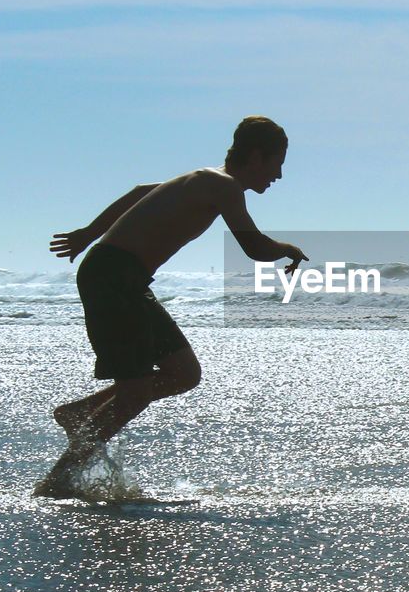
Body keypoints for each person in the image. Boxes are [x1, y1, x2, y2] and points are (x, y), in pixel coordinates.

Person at [33, 116, 306, 498]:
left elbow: (138, 192)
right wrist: (288, 250)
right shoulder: (224, 186)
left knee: (183, 372)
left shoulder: (202, 180)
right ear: (257, 156)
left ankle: (79, 415)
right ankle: (55, 483)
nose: (278, 175)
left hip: (125, 277)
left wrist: (87, 233)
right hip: (113, 276)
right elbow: (255, 247)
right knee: (136, 392)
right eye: (278, 163)